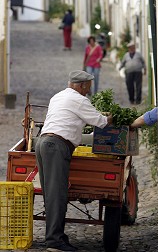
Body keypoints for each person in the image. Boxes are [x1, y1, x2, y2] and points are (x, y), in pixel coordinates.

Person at [35, 70, 112, 252]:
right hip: (56, 146)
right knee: (57, 195)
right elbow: (100, 122)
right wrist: (111, 117)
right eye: (88, 87)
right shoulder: (79, 100)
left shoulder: (58, 96)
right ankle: (54, 241)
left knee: (51, 195)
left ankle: (57, 237)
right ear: (81, 85)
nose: (88, 91)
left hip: (42, 143)